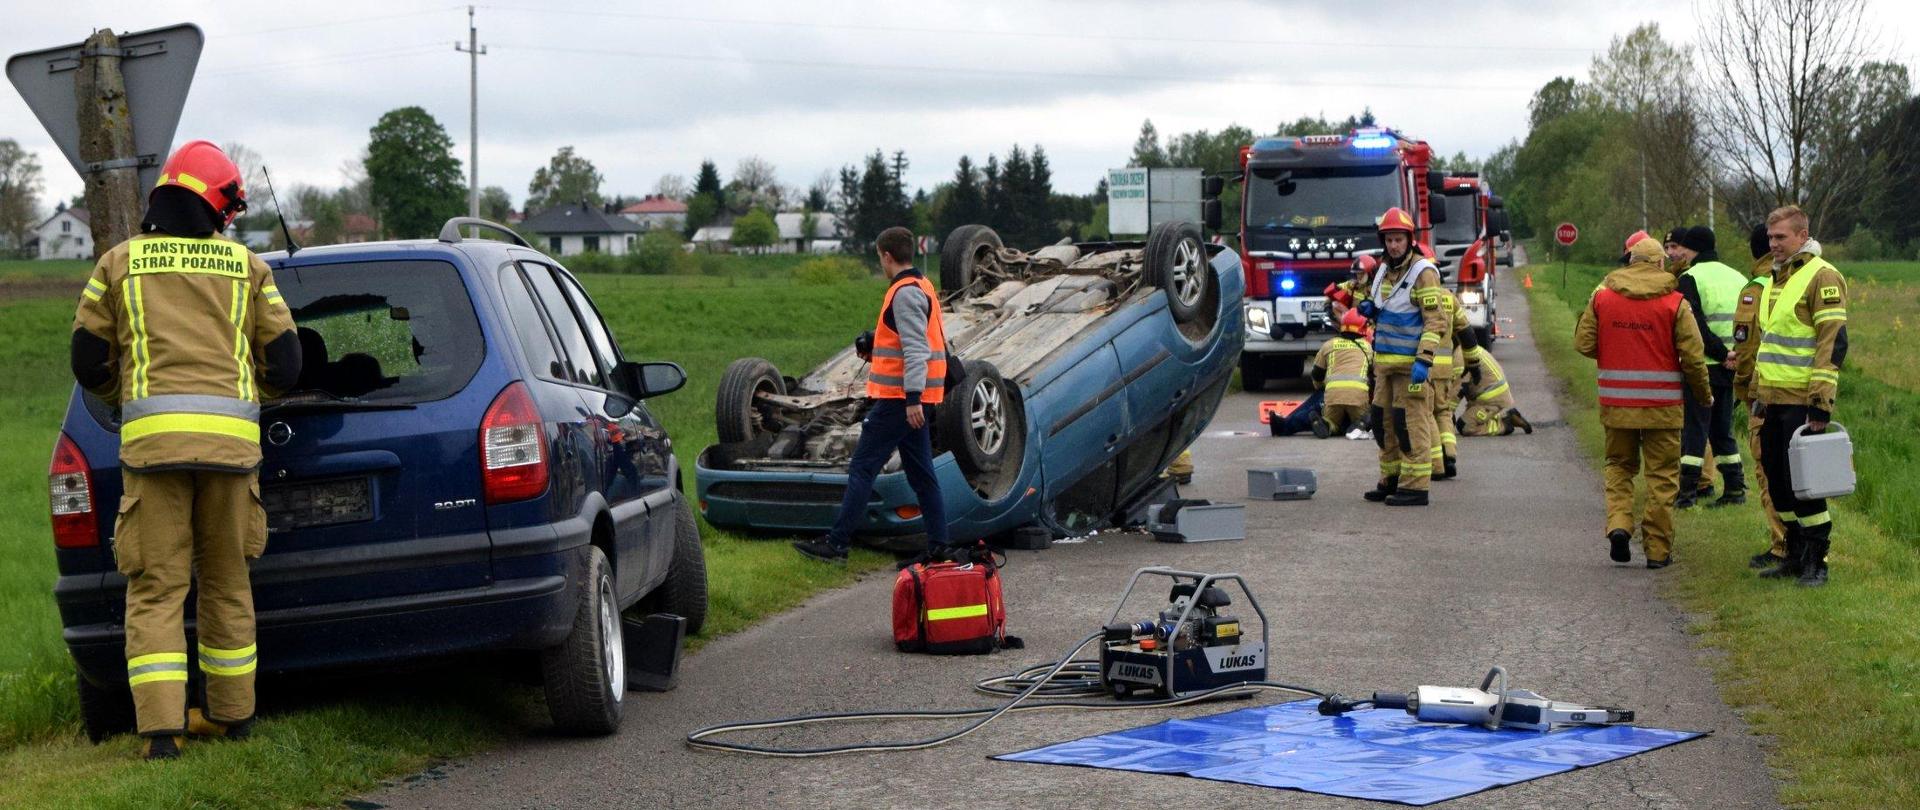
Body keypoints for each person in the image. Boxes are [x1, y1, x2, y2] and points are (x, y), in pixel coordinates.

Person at [70, 141, 301, 759]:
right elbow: (286, 361)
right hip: (232, 456)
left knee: (156, 589)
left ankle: (162, 736)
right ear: (217, 203)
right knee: (227, 584)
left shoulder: (117, 264)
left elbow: (88, 361)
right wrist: (255, 387)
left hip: (152, 453)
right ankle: (234, 718)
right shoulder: (248, 268)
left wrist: (125, 392)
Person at [795, 227, 950, 564]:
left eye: (879, 256)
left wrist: (911, 399)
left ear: (886, 256)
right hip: (913, 398)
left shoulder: (905, 293)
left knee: (863, 467)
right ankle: (939, 549)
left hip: (901, 401)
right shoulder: (921, 285)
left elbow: (915, 349)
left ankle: (837, 544)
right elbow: (909, 342)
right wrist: (877, 347)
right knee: (922, 475)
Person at [1575, 233, 1712, 568]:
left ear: (1631, 261)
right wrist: (1703, 394)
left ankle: (1620, 525)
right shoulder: (1675, 303)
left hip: (1617, 405)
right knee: (1662, 478)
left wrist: (1615, 350)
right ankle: (1657, 551)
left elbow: (1583, 344)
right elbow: (1693, 359)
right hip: (1663, 409)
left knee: (1619, 467)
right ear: (1660, 263)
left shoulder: (1603, 298)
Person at [1746, 206, 1847, 587]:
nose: (1773, 245)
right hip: (1771, 399)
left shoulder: (1821, 276)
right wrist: (1758, 393)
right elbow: (1769, 344)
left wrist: (1820, 405)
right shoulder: (1777, 278)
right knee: (1777, 483)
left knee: (1804, 486)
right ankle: (1792, 554)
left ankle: (1816, 562)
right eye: (1770, 238)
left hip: (1803, 402)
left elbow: (1831, 345)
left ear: (1802, 236)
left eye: (1781, 238)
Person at [1353, 207, 1449, 506]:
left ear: (1409, 240)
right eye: (1389, 239)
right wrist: (1371, 307)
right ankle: (1391, 479)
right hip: (1385, 365)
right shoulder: (1382, 269)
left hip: (1411, 367)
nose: (1394, 245)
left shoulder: (1424, 272)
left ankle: (1416, 486)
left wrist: (1424, 359)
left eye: (1399, 239)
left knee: (1411, 425)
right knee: (1384, 424)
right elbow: (1384, 302)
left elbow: (1436, 320)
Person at [1665, 226, 1749, 509]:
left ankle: (1686, 494)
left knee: (1694, 429)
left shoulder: (1690, 278)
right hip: (1733, 365)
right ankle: (1735, 489)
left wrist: (1720, 352)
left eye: (1685, 249)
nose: (1682, 254)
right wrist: (1735, 354)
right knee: (1722, 429)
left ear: (1692, 249)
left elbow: (1694, 326)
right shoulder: (1738, 277)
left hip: (1705, 365)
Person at [1728, 223, 1790, 570]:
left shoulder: (1757, 287)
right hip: (1799, 390)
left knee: (1769, 471)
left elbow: (1747, 345)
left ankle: (1783, 544)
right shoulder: (1802, 277)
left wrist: (1742, 388)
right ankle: (1804, 546)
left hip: (1765, 390)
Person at [1427, 288, 1475, 479]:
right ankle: (1450, 455)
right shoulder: (1449, 297)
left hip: (1424, 366)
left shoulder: (1417, 294)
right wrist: (1473, 362)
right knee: (1443, 412)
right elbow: (1466, 330)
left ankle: (1436, 465)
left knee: (1426, 414)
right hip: (1445, 369)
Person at [1309, 308, 1373, 438]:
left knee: (1332, 422)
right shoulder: (1367, 347)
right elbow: (1374, 374)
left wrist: (1319, 387)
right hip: (1358, 397)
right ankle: (1360, 423)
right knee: (1372, 414)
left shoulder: (1328, 345)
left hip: (1333, 396)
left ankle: (1327, 425)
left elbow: (1317, 373)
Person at [1456, 342, 1533, 436]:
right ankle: (1507, 417)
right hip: (1486, 395)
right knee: (1472, 419)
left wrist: (1446, 413)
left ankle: (1505, 424)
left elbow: (1459, 388)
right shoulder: (1466, 348)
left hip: (1491, 399)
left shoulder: (1459, 356)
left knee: (1465, 425)